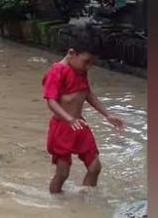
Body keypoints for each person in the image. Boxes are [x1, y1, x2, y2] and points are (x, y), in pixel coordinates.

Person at [41, 28, 125, 193]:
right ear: (71, 53)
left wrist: (108, 114)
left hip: (79, 125)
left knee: (95, 167)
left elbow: (87, 94)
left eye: (92, 63)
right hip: (62, 128)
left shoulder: (80, 71)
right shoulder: (57, 71)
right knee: (63, 173)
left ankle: (85, 200)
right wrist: (68, 119)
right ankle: (55, 201)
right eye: (86, 61)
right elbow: (51, 101)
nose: (89, 66)